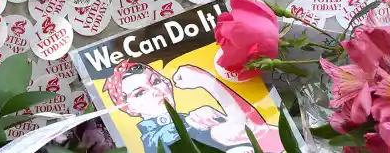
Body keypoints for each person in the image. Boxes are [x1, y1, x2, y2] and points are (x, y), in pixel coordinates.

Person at [102, 61, 284, 153]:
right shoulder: (161, 138)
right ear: (128, 108)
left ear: (167, 82)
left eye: (156, 81)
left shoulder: (195, 119)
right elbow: (255, 130)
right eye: (140, 93)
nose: (155, 90)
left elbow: (268, 136)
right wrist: (207, 82)